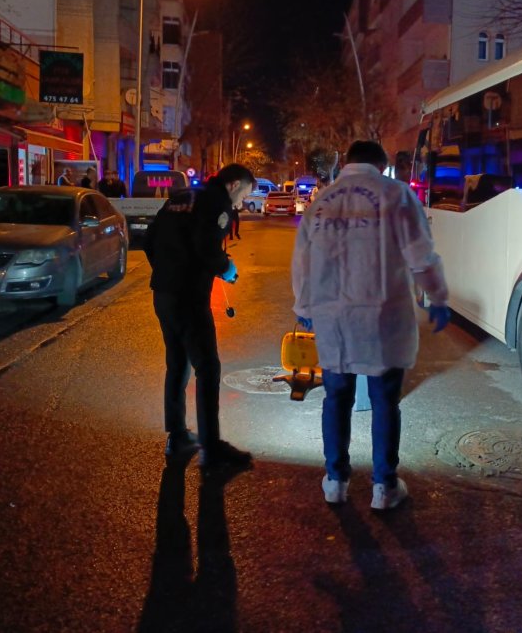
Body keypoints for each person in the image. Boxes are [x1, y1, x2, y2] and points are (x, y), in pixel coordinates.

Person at [291, 140, 450, 510]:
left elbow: (302, 261)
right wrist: (437, 297)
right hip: (383, 314)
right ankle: (384, 486)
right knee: (384, 401)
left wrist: (303, 305)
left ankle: (335, 481)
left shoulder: (322, 202)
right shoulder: (396, 195)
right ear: (380, 164)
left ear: (347, 163)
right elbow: (421, 256)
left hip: (333, 315)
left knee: (336, 397)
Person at [144, 163, 257, 470]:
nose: (241, 203)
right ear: (234, 185)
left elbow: (149, 239)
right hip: (189, 299)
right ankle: (212, 447)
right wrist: (226, 269)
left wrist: (167, 270)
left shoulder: (182, 196)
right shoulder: (216, 202)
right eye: (245, 194)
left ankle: (178, 434)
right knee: (208, 367)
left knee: (177, 362)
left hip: (163, 294)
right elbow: (206, 248)